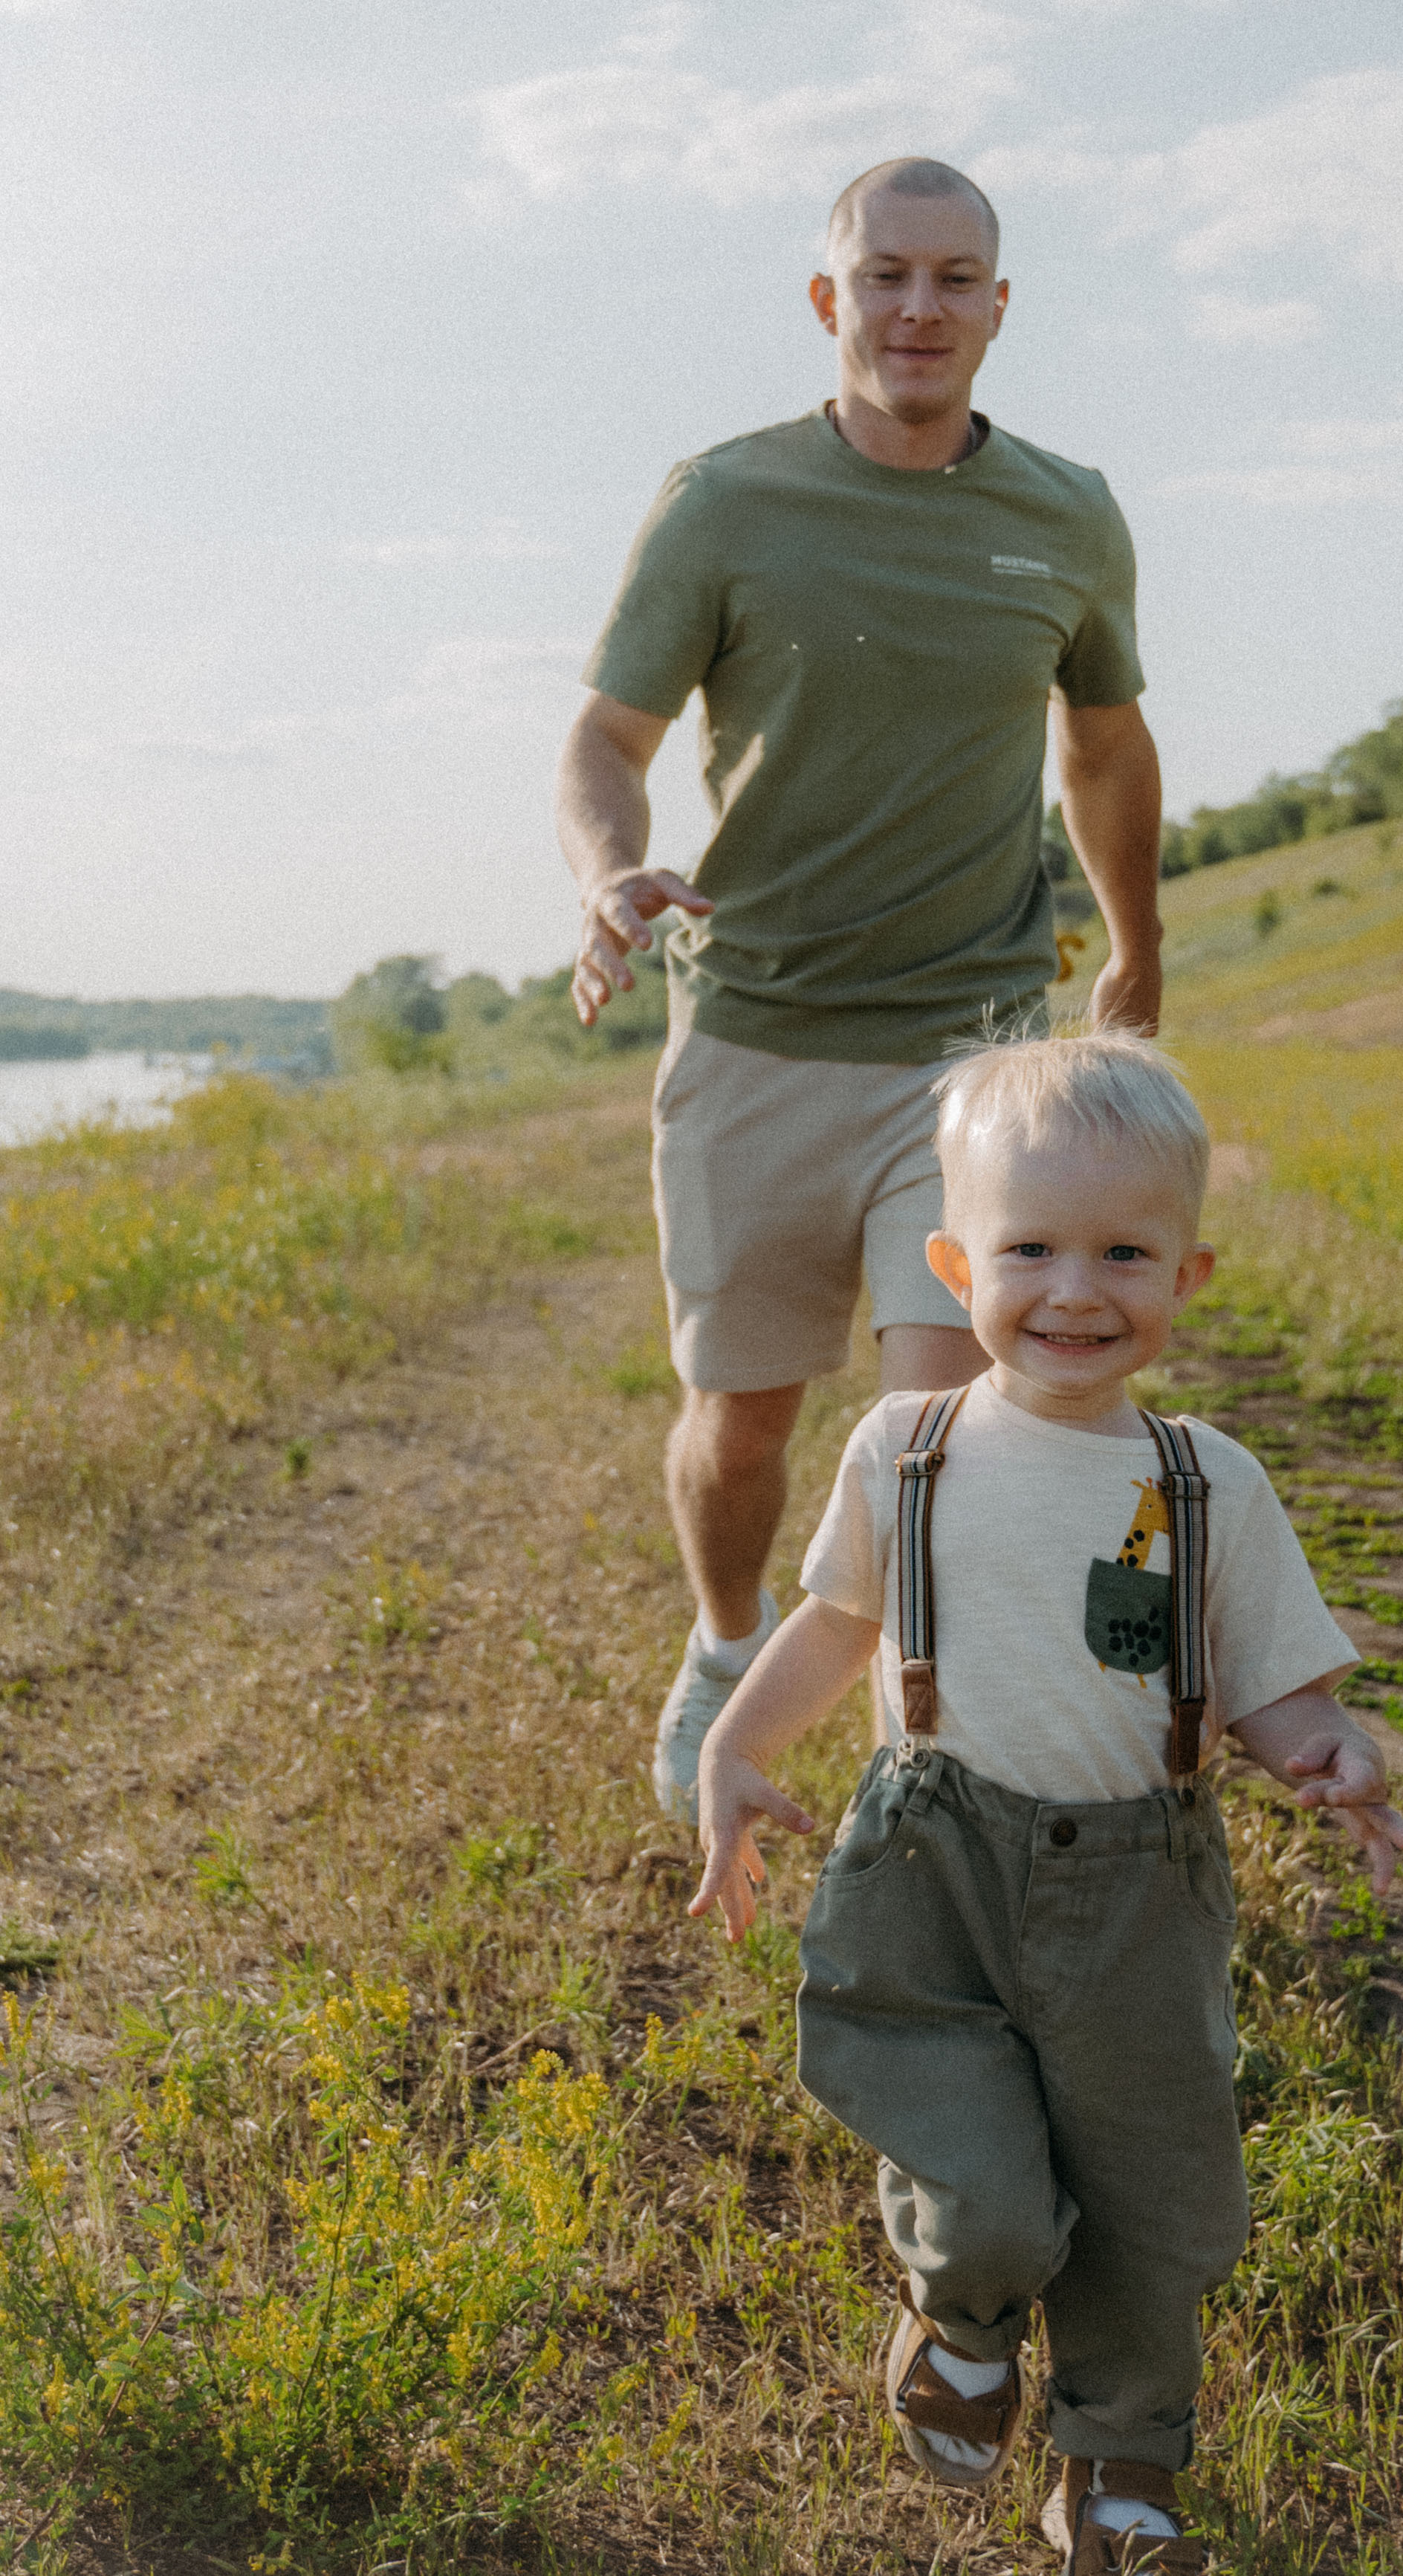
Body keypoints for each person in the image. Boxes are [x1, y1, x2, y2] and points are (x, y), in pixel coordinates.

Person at [687, 1029, 1403, 2574]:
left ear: (1186, 1272)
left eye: (1122, 1250)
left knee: (1151, 2195)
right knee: (986, 2180)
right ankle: (960, 2313)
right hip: (931, 1866)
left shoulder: (1205, 1477)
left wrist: (1321, 1745)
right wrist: (736, 1747)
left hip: (1138, 1892)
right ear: (955, 1260)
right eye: (1029, 1246)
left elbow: (1269, 1677)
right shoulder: (909, 1448)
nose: (1073, 1289)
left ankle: (1119, 2458)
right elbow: (831, 1624)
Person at [556, 156, 1165, 1821]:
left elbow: (1101, 743)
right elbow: (605, 742)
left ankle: (926, 1771)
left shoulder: (1064, 512)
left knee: (928, 1426)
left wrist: (1136, 940)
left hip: (968, 1049)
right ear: (829, 301)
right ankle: (721, 1640)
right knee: (742, 1421)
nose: (918, 309)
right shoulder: (726, 501)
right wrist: (610, 869)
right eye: (884, 277)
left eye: (953, 279)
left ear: (995, 305)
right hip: (753, 1028)